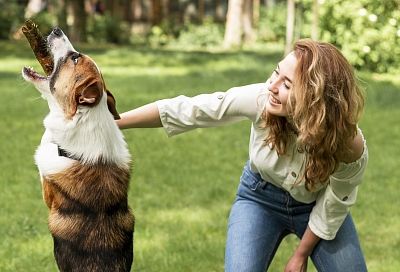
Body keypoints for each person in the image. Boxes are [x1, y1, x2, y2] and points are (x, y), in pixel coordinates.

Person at [116, 39, 368, 272]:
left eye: (287, 84)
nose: (273, 86)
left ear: (315, 97)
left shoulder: (347, 143)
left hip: (316, 205)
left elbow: (335, 202)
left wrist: (300, 255)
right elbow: (192, 110)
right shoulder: (260, 99)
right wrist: (117, 121)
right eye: (276, 72)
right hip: (259, 198)